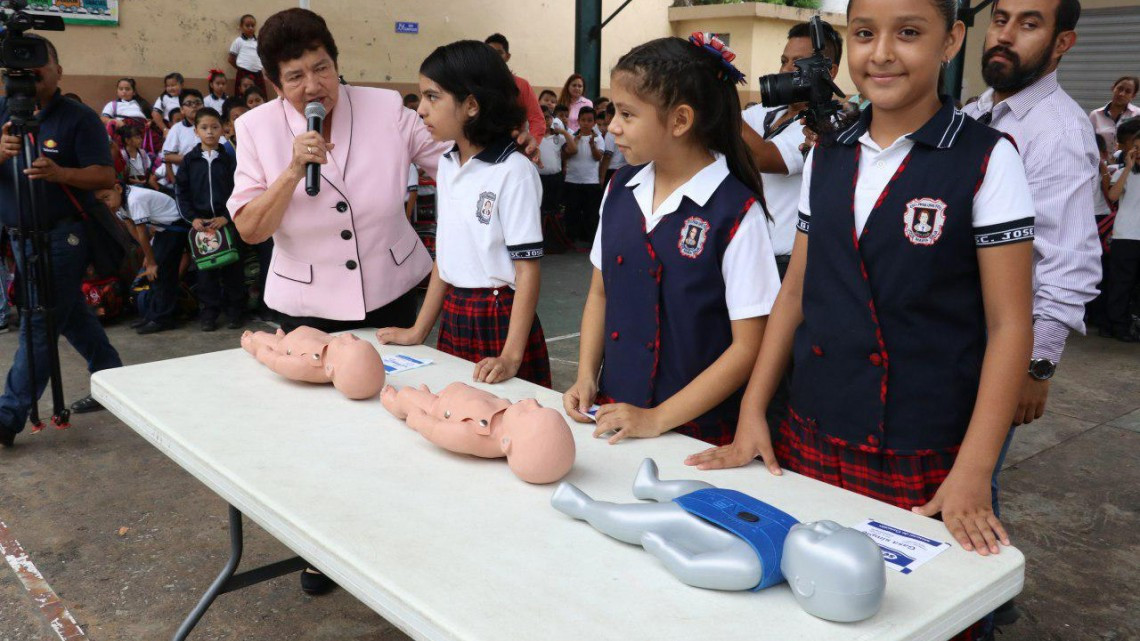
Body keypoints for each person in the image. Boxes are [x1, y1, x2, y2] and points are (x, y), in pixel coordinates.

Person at [688, 8, 1036, 641]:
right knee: (807, 601)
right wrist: (754, 410)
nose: (881, 53)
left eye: (909, 33)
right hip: (813, 427)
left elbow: (1010, 324)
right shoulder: (831, 153)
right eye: (865, 33)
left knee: (919, 615)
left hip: (922, 445)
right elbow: (795, 292)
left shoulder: (987, 158)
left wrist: (974, 470)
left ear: (952, 41)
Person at [562, 34, 779, 447]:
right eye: (613, 111)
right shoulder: (620, 188)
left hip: (695, 435)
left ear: (680, 121)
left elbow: (748, 346)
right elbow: (600, 294)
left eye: (627, 113)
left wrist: (657, 418)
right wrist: (586, 377)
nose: (613, 126)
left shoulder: (735, 211)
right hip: (616, 418)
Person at [377, 40, 551, 387]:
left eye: (433, 96)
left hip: (498, 317)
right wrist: (418, 330)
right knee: (453, 414)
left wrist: (511, 356)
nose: (421, 110)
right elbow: (447, 254)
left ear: (471, 105)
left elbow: (526, 268)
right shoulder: (447, 164)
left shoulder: (513, 171)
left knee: (505, 422)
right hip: (456, 311)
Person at [0, 35, 122, 447]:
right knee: (67, 312)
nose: (28, 76)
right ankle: (114, 376)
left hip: (63, 235)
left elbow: (105, 176)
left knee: (39, 319)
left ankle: (7, 415)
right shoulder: (2, 113)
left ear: (58, 71)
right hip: (19, 236)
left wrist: (60, 173)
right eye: (18, 70)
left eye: (38, 67)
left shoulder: (78, 117)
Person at [742, 20, 842, 280]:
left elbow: (762, 156)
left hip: (782, 268)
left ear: (828, 71)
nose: (785, 70)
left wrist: (717, 97)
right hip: (746, 255)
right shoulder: (765, 113)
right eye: (784, 60)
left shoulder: (825, 126)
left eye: (797, 64)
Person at [177, 108, 245, 331]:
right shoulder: (189, 161)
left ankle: (235, 312)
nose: (210, 132)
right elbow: (182, 193)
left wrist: (227, 217)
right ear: (196, 131)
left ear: (223, 129)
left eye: (214, 127)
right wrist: (193, 219)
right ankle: (209, 313)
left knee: (232, 268)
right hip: (202, 226)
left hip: (225, 223)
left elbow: (240, 190)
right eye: (204, 128)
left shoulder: (229, 160)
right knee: (206, 272)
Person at [95, 182, 187, 334]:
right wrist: (148, 253)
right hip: (161, 230)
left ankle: (163, 318)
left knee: (160, 272)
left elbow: (143, 232)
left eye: (107, 197)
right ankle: (153, 315)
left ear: (118, 188)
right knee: (153, 275)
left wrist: (151, 261)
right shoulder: (120, 204)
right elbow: (131, 227)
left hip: (174, 227)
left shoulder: (135, 199)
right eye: (102, 201)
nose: (107, 203)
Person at [1104, 118, 1140, 342]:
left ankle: (1132, 322)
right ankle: (1116, 325)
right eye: (1136, 147)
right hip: (1126, 237)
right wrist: (1128, 167)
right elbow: (1113, 196)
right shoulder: (1122, 173)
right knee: (1121, 284)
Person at [485, 33, 545, 142]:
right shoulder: (477, 83)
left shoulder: (522, 85)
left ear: (507, 56)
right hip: (481, 147)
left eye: (499, 53)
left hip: (513, 147)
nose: (494, 57)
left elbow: (537, 119)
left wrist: (531, 143)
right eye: (489, 53)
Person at [561, 106, 602, 243]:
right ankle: (571, 237)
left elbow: (598, 157)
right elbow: (566, 154)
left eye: (589, 120)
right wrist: (576, 141)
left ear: (594, 122)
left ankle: (589, 238)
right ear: (578, 121)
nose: (586, 123)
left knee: (590, 212)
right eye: (583, 120)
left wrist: (592, 145)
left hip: (591, 181)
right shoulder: (572, 137)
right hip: (573, 179)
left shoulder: (598, 138)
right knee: (572, 210)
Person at [1089, 76, 1140, 154]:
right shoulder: (1095, 115)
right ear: (1113, 88)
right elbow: (1088, 141)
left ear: (1133, 96)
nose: (1121, 94)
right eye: (1120, 88)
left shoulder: (1137, 114)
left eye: (1128, 91)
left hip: (1129, 163)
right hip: (1101, 163)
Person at [228, 14, 266, 96]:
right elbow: (231, 59)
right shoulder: (238, 41)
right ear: (241, 27)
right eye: (247, 26)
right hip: (243, 73)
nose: (250, 28)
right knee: (243, 95)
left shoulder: (259, 42)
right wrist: (241, 69)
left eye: (253, 25)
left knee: (259, 94)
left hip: (258, 73)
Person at [538, 107, 566, 214]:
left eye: (547, 117)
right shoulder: (533, 137)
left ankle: (553, 230)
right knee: (539, 207)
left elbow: (572, 149)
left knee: (554, 208)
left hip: (555, 178)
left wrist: (563, 132)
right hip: (538, 177)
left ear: (552, 119)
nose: (545, 120)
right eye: (541, 118)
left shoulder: (558, 137)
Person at [598, 103, 628, 186]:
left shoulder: (611, 132)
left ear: (608, 115)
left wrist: (601, 176)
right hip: (625, 168)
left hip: (612, 170)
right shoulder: (626, 129)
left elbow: (607, 156)